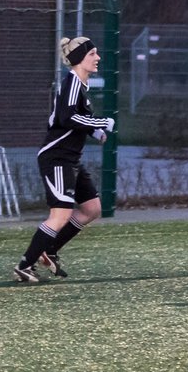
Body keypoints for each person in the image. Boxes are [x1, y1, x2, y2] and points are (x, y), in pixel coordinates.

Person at [13, 37, 115, 283]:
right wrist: (101, 122)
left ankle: (48, 249)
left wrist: (94, 131)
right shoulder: (71, 83)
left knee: (91, 209)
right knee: (60, 215)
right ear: (80, 58)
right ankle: (25, 265)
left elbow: (73, 120)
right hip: (57, 158)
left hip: (70, 159)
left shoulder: (80, 86)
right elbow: (67, 118)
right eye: (93, 53)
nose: (98, 58)